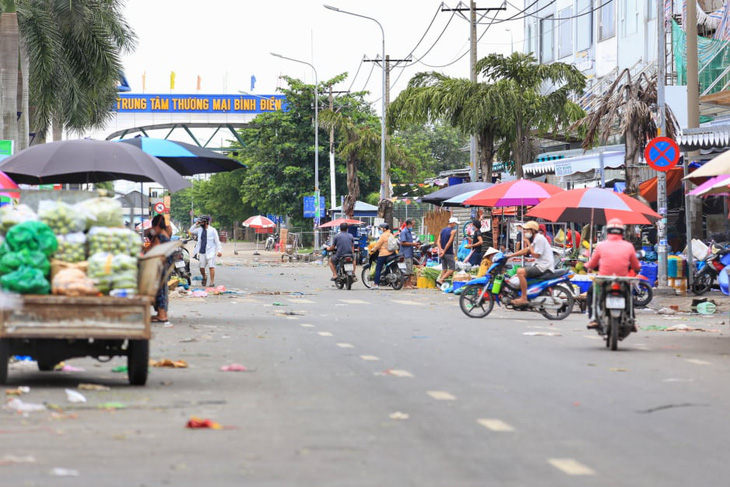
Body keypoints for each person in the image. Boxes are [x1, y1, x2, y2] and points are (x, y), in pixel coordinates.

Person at [584, 218, 641, 329]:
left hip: (603, 280)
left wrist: (587, 266)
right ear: (622, 232)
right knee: (629, 295)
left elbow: (593, 263)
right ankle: (631, 320)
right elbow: (636, 265)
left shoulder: (601, 245)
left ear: (608, 231)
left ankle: (593, 318)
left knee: (591, 293)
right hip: (622, 280)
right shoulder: (629, 246)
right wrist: (637, 267)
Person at [509, 220, 555, 307]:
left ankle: (524, 298)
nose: (525, 232)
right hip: (540, 265)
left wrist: (527, 242)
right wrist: (511, 255)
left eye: (527, 230)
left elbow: (536, 254)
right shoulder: (536, 238)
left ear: (533, 230)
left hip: (544, 267)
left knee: (520, 272)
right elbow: (526, 250)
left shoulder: (539, 238)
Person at [144, 214, 171, 324]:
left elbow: (153, 252)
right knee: (163, 291)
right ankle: (162, 314)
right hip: (165, 267)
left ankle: (161, 315)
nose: (153, 230)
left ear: (156, 226)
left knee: (159, 291)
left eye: (154, 227)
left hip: (160, 267)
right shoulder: (166, 234)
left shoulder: (159, 237)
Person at [189, 215, 223, 287]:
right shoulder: (199, 230)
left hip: (211, 251)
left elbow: (217, 241)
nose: (201, 223)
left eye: (202, 222)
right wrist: (196, 224)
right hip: (202, 251)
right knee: (201, 267)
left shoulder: (213, 230)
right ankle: (204, 276)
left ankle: (212, 282)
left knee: (211, 266)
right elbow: (190, 231)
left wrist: (219, 250)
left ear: (206, 222)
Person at [370, 223, 396, 289]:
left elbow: (378, 244)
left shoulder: (383, 235)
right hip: (392, 253)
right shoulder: (391, 234)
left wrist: (373, 250)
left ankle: (376, 284)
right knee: (388, 266)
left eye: (380, 228)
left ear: (384, 229)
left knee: (378, 269)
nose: (380, 230)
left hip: (383, 254)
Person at [436, 217, 459, 286]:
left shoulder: (442, 230)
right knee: (452, 268)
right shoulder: (452, 231)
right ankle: (441, 280)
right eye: (455, 224)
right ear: (452, 223)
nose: (455, 225)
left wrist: (441, 250)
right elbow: (449, 243)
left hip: (442, 253)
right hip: (448, 252)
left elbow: (438, 242)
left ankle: (440, 285)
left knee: (444, 269)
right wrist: (444, 251)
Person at [399, 219, 420, 289]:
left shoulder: (409, 232)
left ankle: (409, 283)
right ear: (408, 224)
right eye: (412, 225)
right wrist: (413, 244)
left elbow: (410, 242)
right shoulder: (404, 232)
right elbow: (402, 242)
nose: (413, 226)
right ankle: (405, 284)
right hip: (405, 253)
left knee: (410, 269)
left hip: (410, 253)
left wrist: (415, 245)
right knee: (406, 269)